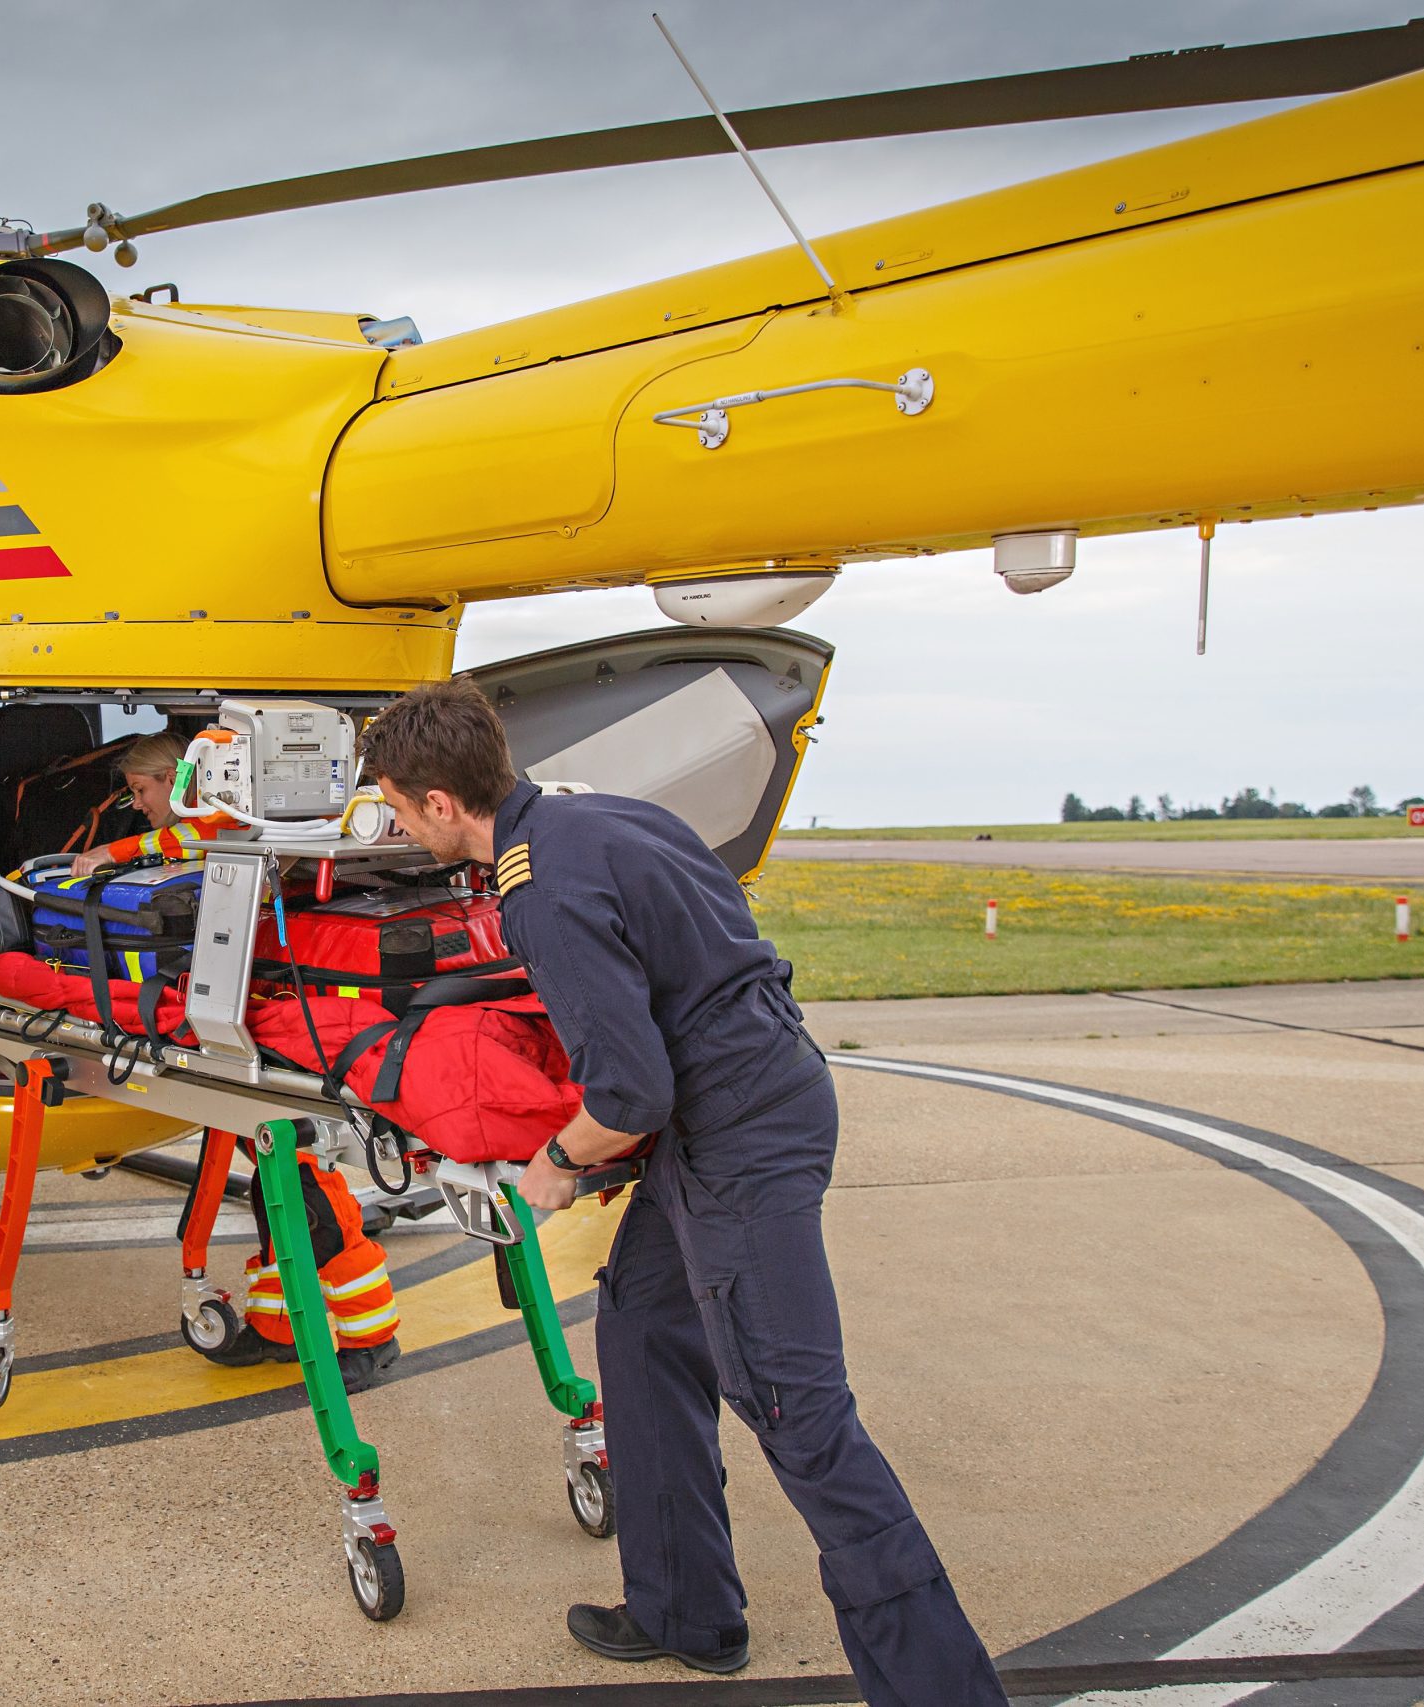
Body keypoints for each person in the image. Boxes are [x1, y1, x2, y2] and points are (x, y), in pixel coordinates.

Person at [361, 678, 1005, 1705]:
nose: (397, 826)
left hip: (736, 1132)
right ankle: (683, 1611)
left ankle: (943, 1692)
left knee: (798, 1415)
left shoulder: (540, 892)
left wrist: (556, 1168)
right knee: (646, 1322)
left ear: (441, 802)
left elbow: (629, 1091)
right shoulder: (604, 816)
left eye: (397, 805)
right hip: (752, 1089)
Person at [56, 731, 400, 1390]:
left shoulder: (225, 827)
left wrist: (111, 853)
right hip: (244, 1021)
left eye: (143, 790)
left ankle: (374, 1335)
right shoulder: (222, 829)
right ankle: (276, 1328)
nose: (141, 804)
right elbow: (177, 847)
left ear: (176, 777)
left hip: (268, 1027)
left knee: (305, 1196)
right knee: (273, 1191)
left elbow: (181, 841)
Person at [69, 733, 238, 875]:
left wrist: (111, 853)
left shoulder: (221, 815)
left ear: (172, 779)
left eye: (140, 790)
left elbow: (190, 838)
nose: (136, 804)